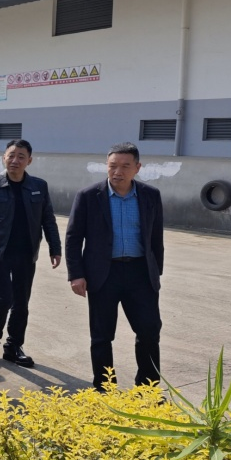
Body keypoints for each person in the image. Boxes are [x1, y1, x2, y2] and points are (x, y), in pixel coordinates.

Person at [65, 142, 164, 391]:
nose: (117, 172)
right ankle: (105, 388)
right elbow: (73, 237)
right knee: (101, 335)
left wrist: (156, 272)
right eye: (112, 166)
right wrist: (76, 274)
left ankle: (147, 389)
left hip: (140, 273)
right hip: (103, 274)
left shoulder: (150, 195)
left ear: (137, 168)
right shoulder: (89, 196)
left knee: (149, 331)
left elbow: (156, 238)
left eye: (125, 166)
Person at [0, 139, 62, 368]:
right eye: (11, 155)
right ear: (4, 157)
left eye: (21, 156)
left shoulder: (39, 186)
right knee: (3, 299)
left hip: (26, 253)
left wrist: (55, 248)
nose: (15, 160)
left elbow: (48, 219)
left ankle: (13, 346)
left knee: (21, 303)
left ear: (29, 161)